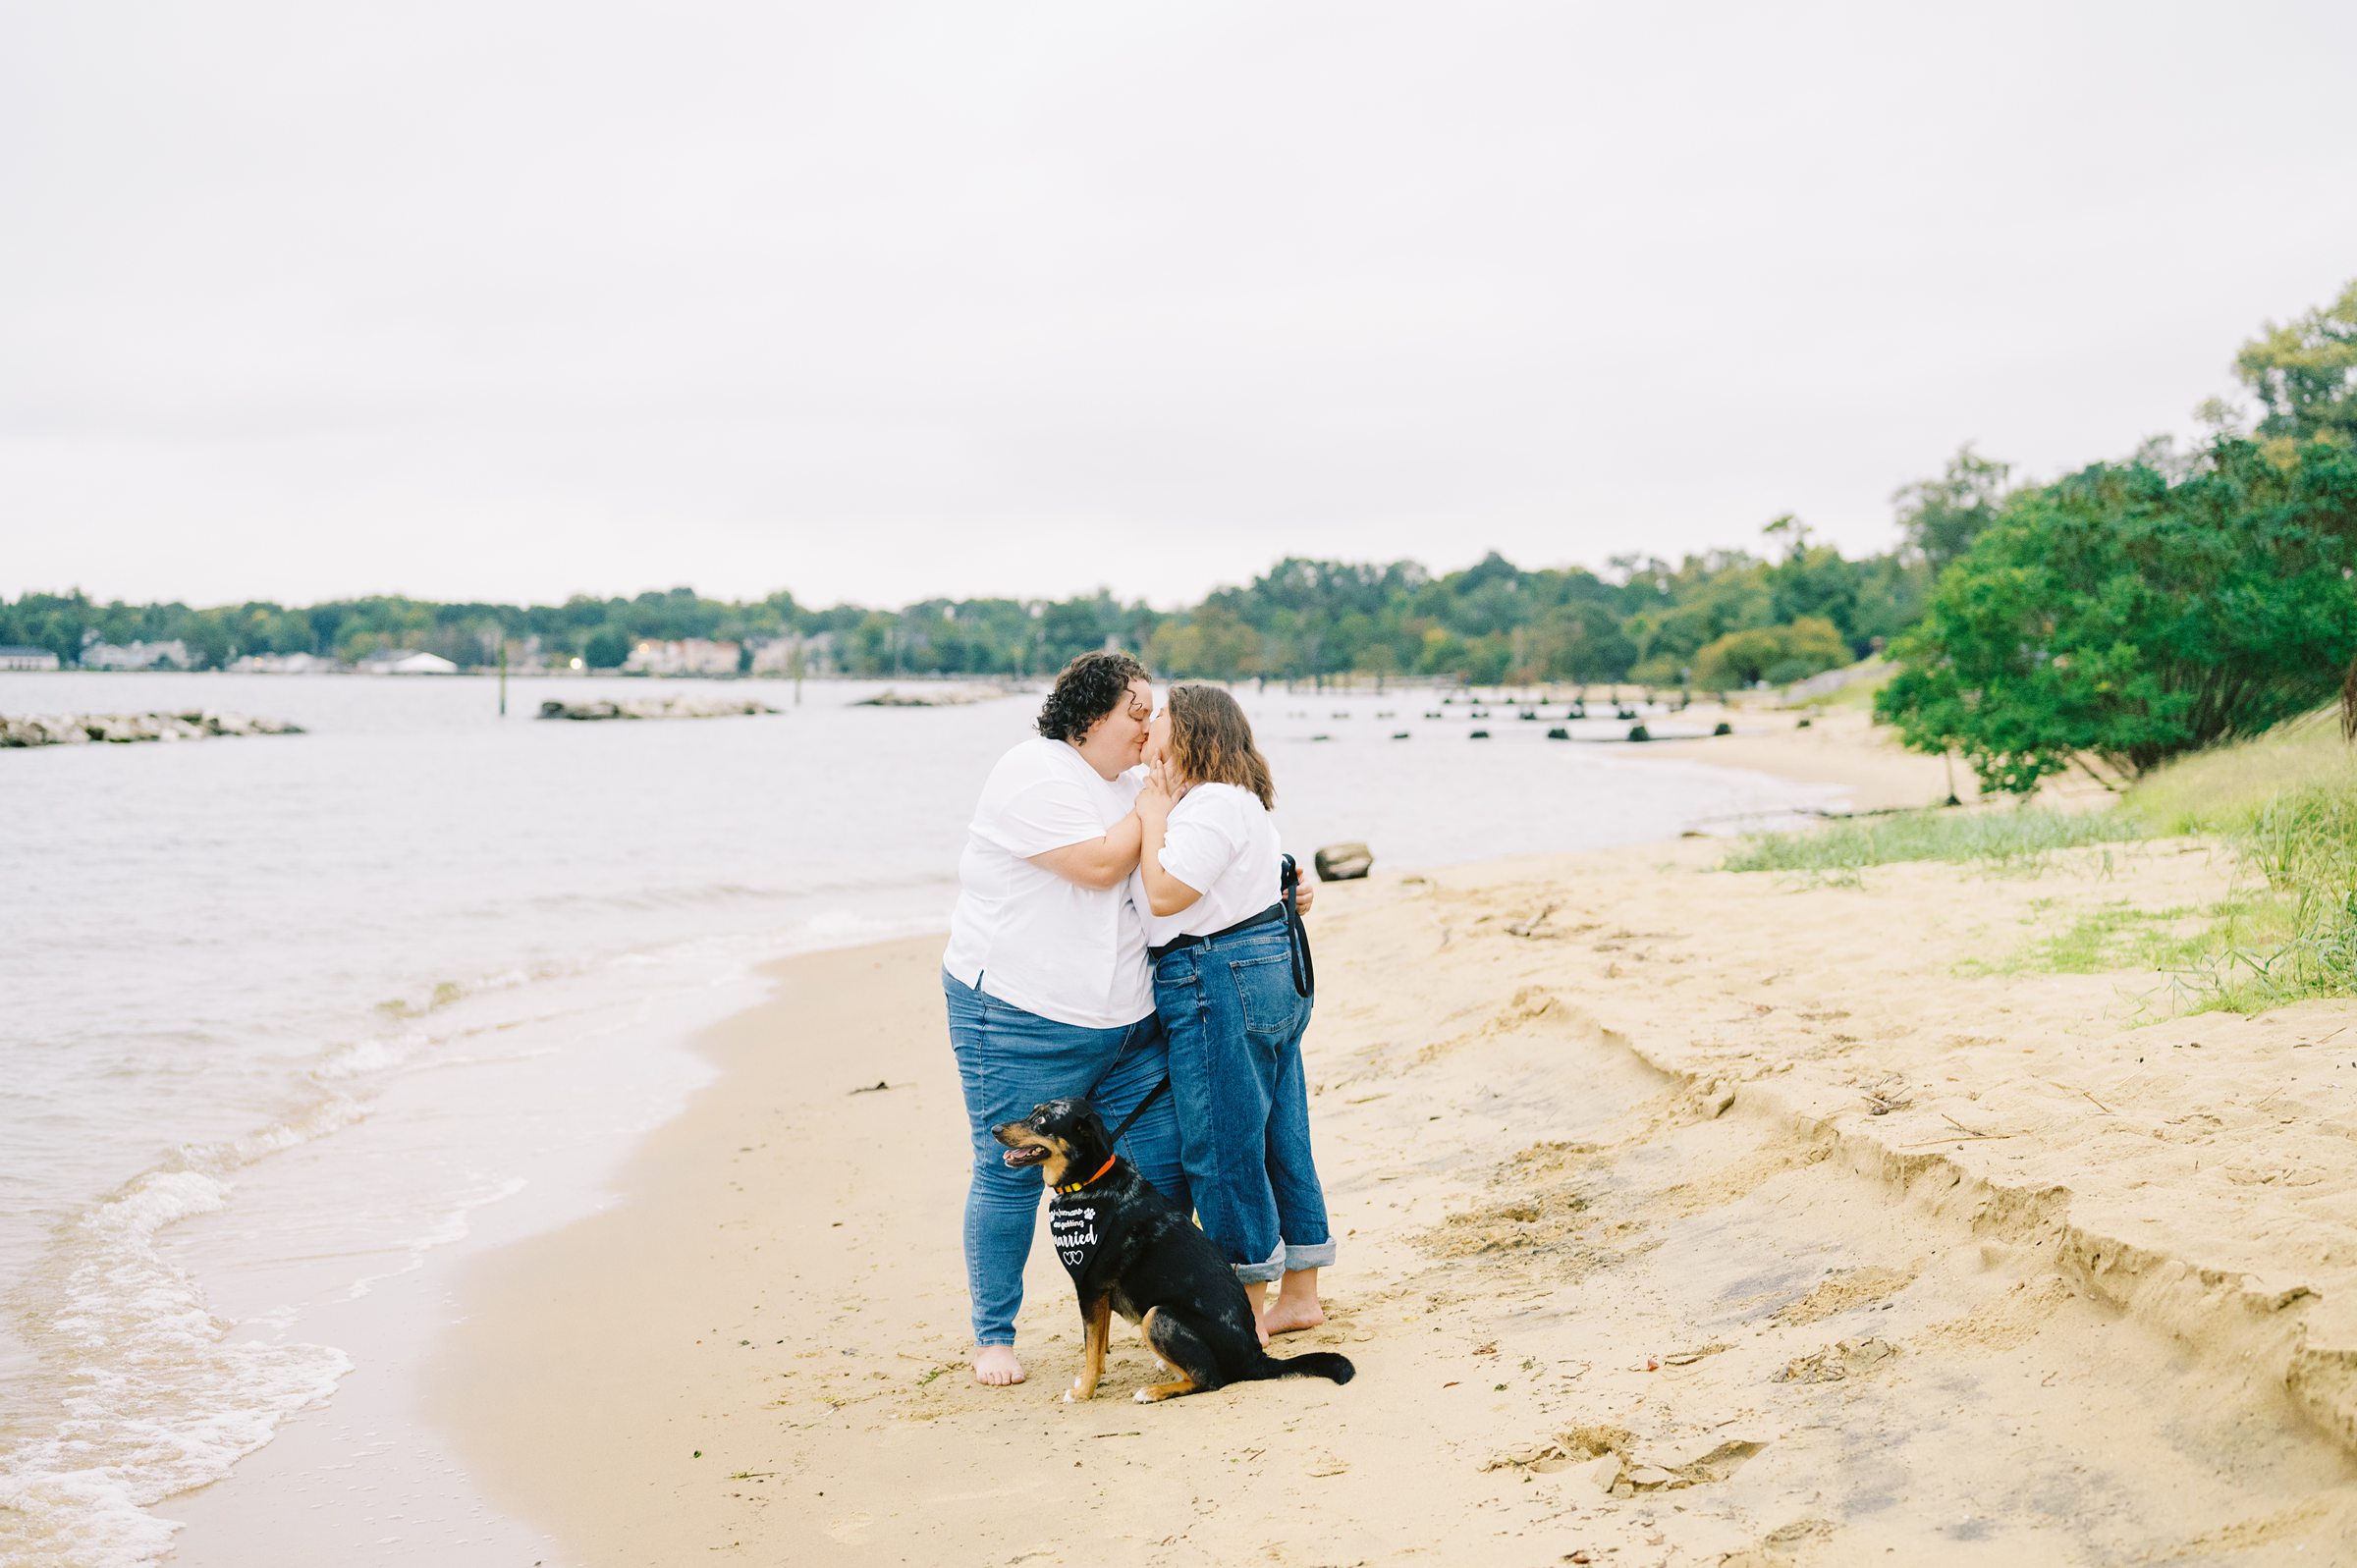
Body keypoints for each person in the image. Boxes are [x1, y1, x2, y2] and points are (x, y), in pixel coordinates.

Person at [941, 652, 1189, 1387]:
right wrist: (1155, 804)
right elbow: (1100, 865)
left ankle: (1163, 1306)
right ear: (1087, 717)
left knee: (1163, 1163)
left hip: (1128, 1022)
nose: (1148, 725)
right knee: (1009, 1172)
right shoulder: (1034, 770)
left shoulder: (1135, 783)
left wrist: (1279, 885)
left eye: (1152, 710)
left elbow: (1194, 856)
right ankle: (993, 1336)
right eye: (1135, 711)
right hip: (1020, 1016)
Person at [1133, 683, 1335, 1339]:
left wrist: (1153, 813)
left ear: (1193, 730)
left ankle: (1243, 1307)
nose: (1151, 721)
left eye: (1162, 713)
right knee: (1281, 1135)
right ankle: (1299, 1292)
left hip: (1217, 975)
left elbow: (1166, 894)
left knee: (1222, 1145)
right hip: (1265, 967)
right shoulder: (1236, 798)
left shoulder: (1209, 804)